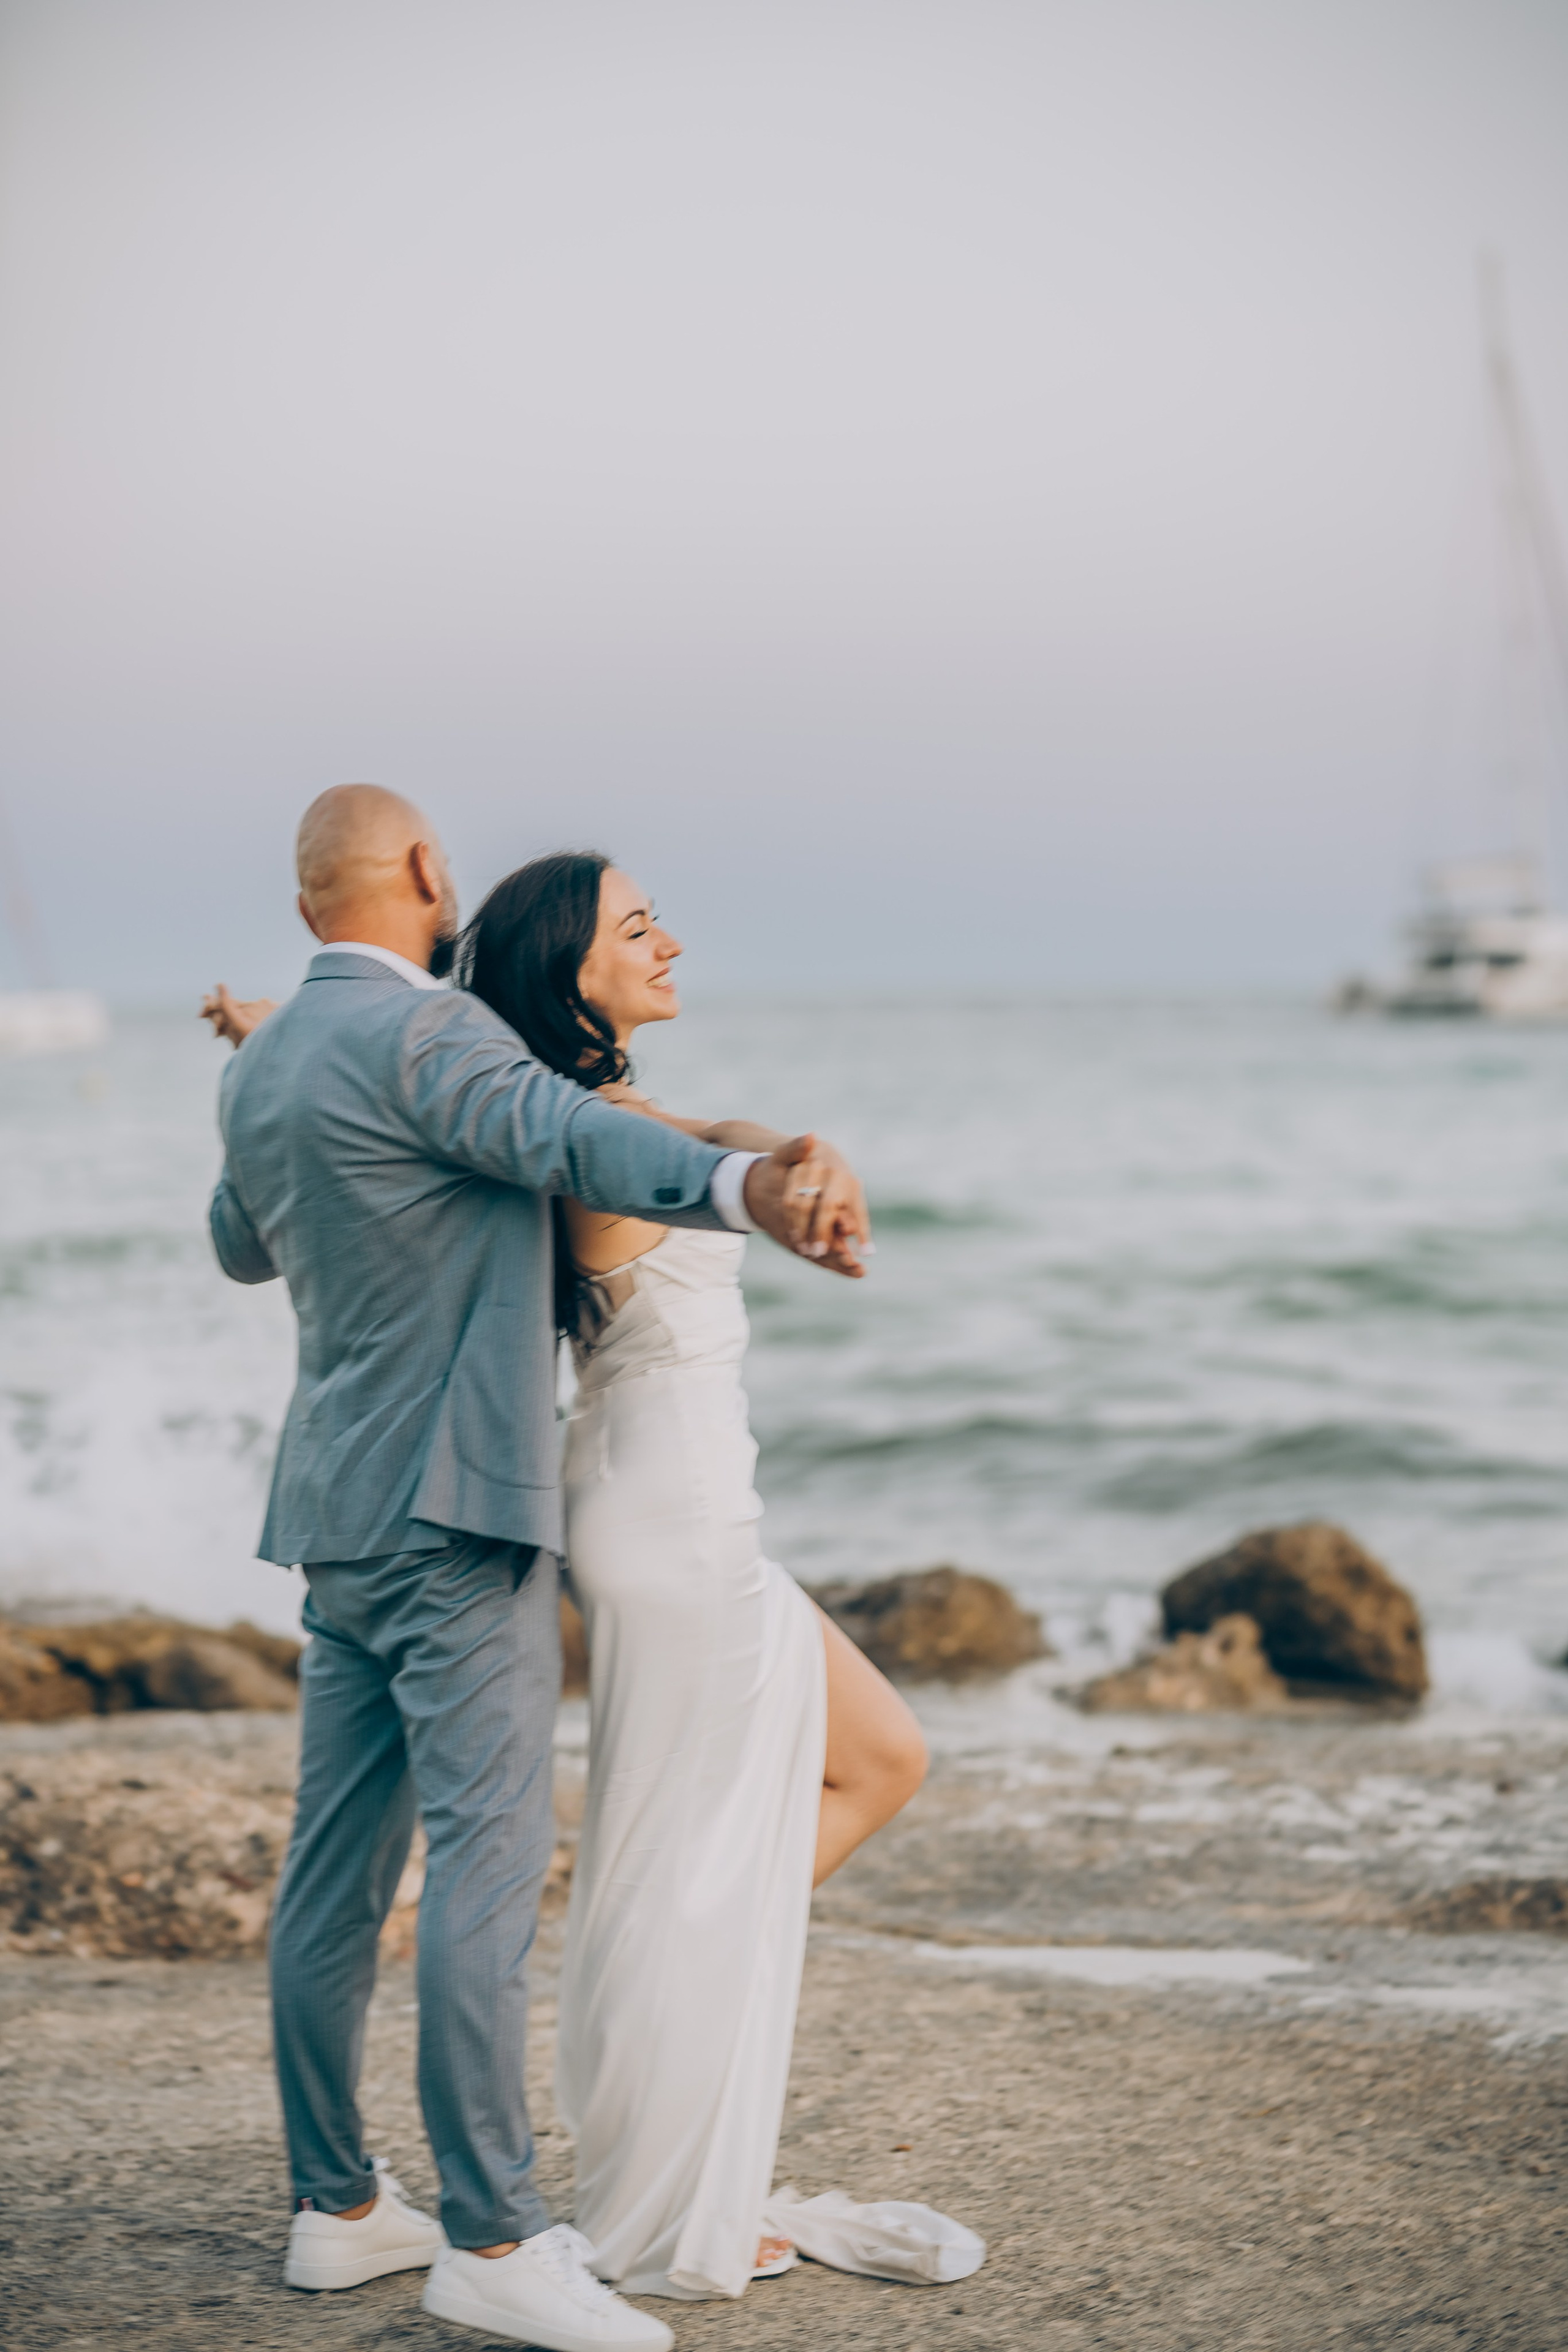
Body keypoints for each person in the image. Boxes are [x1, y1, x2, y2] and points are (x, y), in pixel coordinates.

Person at [205, 783, 870, 2352]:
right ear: (428, 874)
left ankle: (339, 2207)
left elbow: (246, 1241)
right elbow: (569, 1135)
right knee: (484, 1881)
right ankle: (495, 2238)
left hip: (332, 1511)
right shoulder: (434, 1037)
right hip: (456, 1517)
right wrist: (746, 1191)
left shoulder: (275, 1061)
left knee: (334, 1871)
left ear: (309, 905)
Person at [456, 853, 927, 2302]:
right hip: (668, 1522)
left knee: (879, 1761)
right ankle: (663, 2190)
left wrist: (794, 1147)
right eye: (636, 927)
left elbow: (711, 1135)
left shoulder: (613, 1113)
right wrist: (772, 1179)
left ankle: (693, 2004)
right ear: (567, 968)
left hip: (689, 1503)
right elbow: (675, 1163)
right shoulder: (580, 1133)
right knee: (682, 1857)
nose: (671, 941)